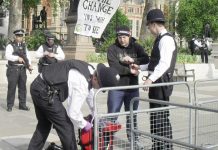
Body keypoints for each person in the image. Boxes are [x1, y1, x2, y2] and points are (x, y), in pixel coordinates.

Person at [28, 59, 120, 150]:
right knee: (66, 126)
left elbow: (90, 94)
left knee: (44, 125)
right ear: (96, 79)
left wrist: (95, 113)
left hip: (39, 85)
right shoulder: (81, 82)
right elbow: (73, 113)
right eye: (100, 86)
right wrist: (85, 125)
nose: (98, 88)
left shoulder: (90, 70)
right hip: (44, 92)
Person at [132, 9, 177, 150]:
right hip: (158, 82)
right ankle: (158, 146)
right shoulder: (160, 39)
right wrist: (140, 67)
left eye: (149, 26)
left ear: (153, 24)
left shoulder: (166, 39)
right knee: (155, 116)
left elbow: (164, 64)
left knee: (160, 116)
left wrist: (150, 79)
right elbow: (155, 63)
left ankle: (164, 147)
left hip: (162, 83)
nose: (149, 29)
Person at [107, 25, 149, 141]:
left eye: (124, 37)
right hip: (116, 88)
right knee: (112, 116)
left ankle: (133, 141)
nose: (122, 39)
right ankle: (107, 142)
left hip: (132, 89)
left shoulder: (136, 46)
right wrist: (129, 70)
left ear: (129, 35)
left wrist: (133, 60)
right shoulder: (112, 49)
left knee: (132, 116)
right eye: (120, 37)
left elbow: (146, 59)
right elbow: (114, 66)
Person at [5, 29, 33, 112]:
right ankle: (10, 105)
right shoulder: (10, 46)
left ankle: (22, 104)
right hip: (13, 69)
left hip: (22, 69)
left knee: (23, 88)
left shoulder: (24, 46)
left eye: (21, 36)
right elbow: (8, 56)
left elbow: (27, 56)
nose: (20, 38)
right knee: (12, 88)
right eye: (18, 36)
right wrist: (17, 58)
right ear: (15, 36)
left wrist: (29, 65)